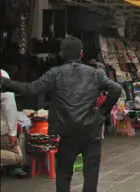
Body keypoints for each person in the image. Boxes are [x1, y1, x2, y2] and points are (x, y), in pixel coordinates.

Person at [0, 37, 121, 192]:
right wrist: (102, 112)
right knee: (91, 172)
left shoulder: (55, 73)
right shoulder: (95, 73)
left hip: (67, 130)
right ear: (81, 53)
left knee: (64, 172)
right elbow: (116, 89)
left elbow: (30, 89)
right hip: (91, 129)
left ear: (62, 54)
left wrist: (5, 82)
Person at [1, 69, 22, 168]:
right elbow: (9, 107)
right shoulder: (2, 74)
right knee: (18, 157)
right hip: (2, 131)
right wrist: (12, 132)